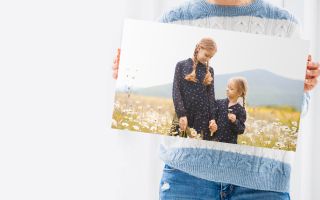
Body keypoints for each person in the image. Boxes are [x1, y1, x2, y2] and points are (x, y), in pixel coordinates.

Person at [112, 0, 320, 199]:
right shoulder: (172, 21)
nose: (208, 60)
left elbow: (299, 110)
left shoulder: (285, 25)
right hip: (187, 178)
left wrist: (301, 89)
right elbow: (165, 91)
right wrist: (127, 75)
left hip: (263, 183)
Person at [171, 37, 218, 140]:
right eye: (206, 55)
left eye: (211, 57)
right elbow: (176, 91)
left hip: (202, 119)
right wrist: (181, 114)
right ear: (199, 48)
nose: (208, 59)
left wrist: (212, 119)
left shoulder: (210, 71)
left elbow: (211, 96)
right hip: (183, 115)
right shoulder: (181, 65)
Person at [210, 77, 248, 144]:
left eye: (231, 89)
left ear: (239, 93)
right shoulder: (219, 103)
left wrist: (235, 121)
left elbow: (241, 130)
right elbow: (212, 116)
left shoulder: (240, 110)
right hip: (215, 140)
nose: (227, 89)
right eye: (227, 87)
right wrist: (212, 123)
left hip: (230, 144)